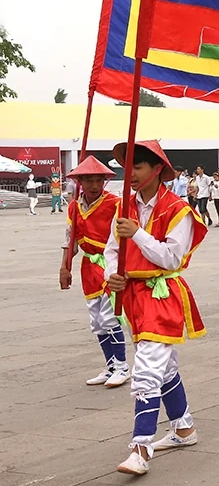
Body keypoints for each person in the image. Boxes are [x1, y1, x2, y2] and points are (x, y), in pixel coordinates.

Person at [104, 139, 207, 476]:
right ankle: (184, 427)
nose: (130, 173)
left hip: (162, 295)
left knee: (147, 367)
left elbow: (171, 257)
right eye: (128, 165)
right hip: (133, 295)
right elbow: (111, 251)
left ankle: (140, 447)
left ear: (157, 169)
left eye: (138, 165)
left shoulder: (178, 209)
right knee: (165, 368)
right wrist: (112, 276)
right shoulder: (124, 207)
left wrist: (138, 234)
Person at [60, 155, 130, 388]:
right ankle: (110, 366)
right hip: (89, 267)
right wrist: (65, 266)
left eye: (98, 180)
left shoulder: (115, 203)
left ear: (104, 182)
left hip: (109, 265)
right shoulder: (74, 207)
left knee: (110, 319)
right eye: (88, 180)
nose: (93, 186)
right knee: (97, 322)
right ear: (80, 181)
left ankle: (122, 367)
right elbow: (70, 240)